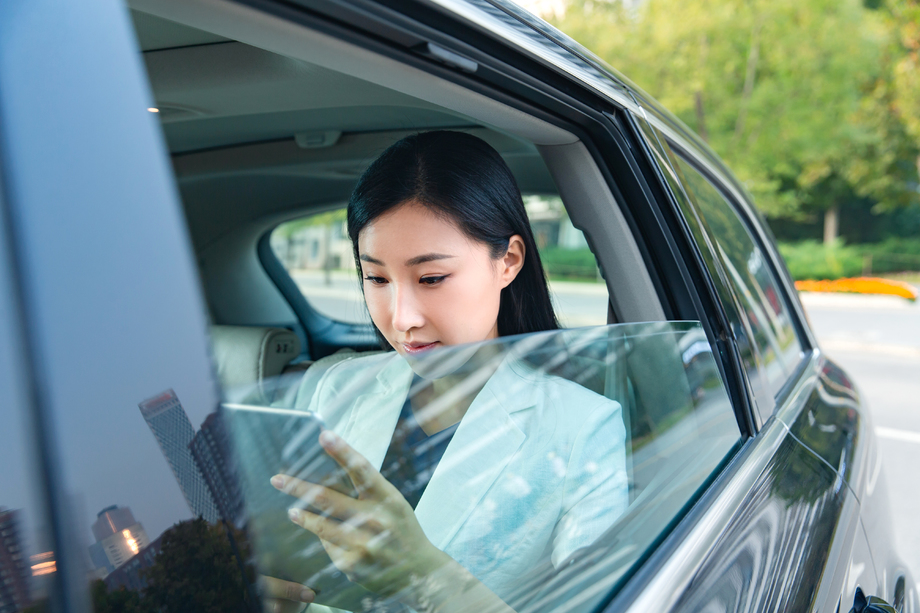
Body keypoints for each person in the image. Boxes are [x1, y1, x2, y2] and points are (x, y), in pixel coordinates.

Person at [263, 131, 628, 613]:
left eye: (431, 278)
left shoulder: (582, 427)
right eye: (375, 278)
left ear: (508, 262)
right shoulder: (336, 386)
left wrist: (424, 575)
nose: (401, 318)